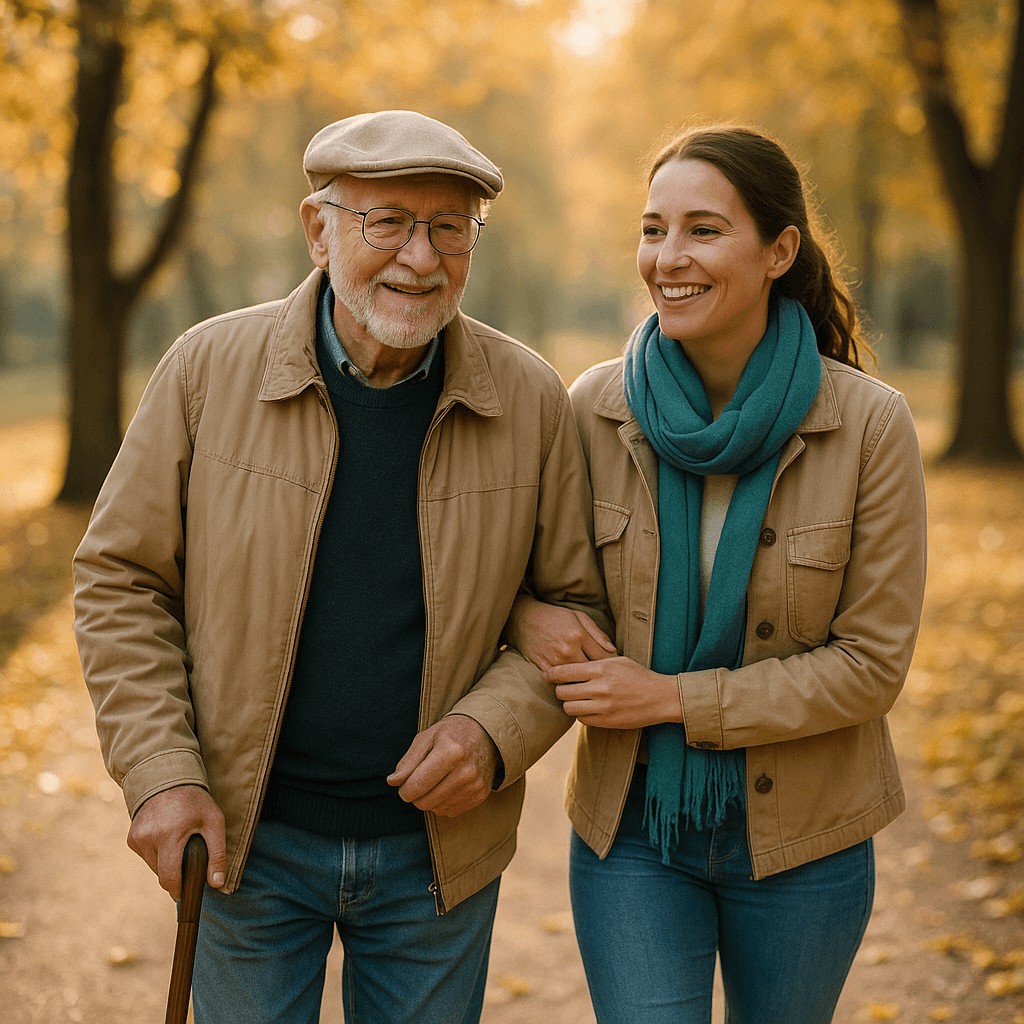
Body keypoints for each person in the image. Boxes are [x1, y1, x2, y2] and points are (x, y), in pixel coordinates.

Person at [72, 109, 610, 1024]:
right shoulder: (207, 370)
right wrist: (163, 772)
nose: (421, 257)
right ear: (319, 229)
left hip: (434, 859)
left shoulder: (528, 400)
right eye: (388, 221)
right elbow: (121, 580)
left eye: (450, 226)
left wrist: (492, 735)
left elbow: (572, 605)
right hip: (248, 845)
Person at [505, 124, 928, 1024]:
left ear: (780, 251)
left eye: (703, 229)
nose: (668, 258)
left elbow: (871, 665)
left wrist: (670, 700)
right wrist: (524, 617)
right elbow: (516, 576)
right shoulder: (592, 409)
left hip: (807, 840)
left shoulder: (869, 428)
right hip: (633, 835)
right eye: (653, 230)